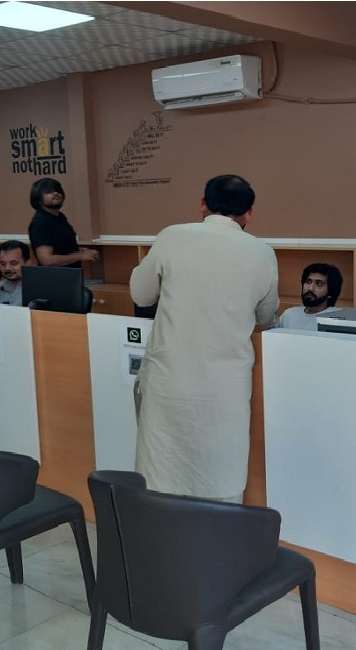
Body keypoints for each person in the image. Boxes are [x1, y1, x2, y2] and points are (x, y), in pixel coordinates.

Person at [130, 174, 279, 503]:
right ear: (249, 213)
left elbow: (141, 295)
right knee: (220, 476)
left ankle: (164, 533)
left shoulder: (172, 237)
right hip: (225, 388)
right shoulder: (262, 253)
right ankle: (216, 534)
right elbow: (265, 315)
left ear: (202, 204)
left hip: (170, 380)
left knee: (161, 475)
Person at [27, 177, 99, 269]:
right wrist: (80, 255)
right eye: (49, 192)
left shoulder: (59, 217)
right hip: (54, 276)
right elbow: (47, 260)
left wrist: (79, 250)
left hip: (70, 274)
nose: (56, 193)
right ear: (38, 199)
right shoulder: (41, 222)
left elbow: (60, 248)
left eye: (58, 190)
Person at [277, 263, 344, 330]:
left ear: (331, 291)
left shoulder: (340, 319)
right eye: (308, 282)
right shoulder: (289, 314)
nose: (310, 288)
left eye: (319, 284)